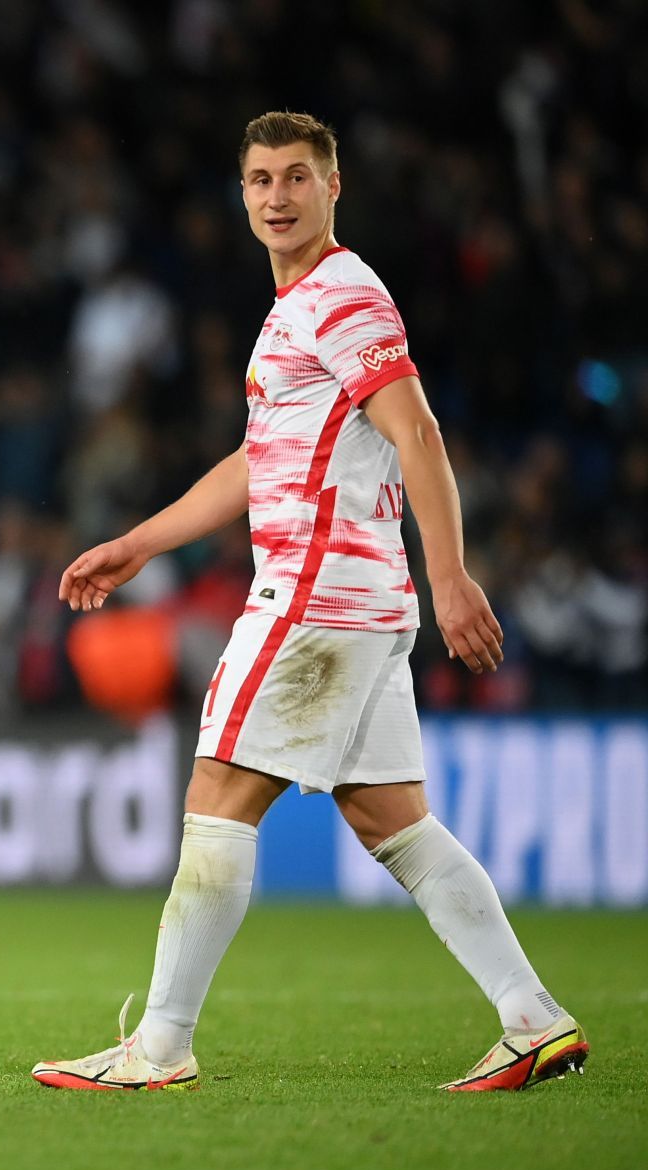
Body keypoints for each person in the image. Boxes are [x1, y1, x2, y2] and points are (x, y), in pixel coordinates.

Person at [30, 111, 586, 1093]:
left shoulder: (342, 293)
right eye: (259, 180)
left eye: (296, 177)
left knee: (215, 797)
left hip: (317, 597)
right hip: (358, 602)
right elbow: (262, 460)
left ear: (336, 189)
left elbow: (417, 431)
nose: (277, 196)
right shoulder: (298, 311)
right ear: (241, 196)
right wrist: (137, 543)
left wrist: (452, 573)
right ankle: (534, 1020)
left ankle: (158, 1047)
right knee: (393, 822)